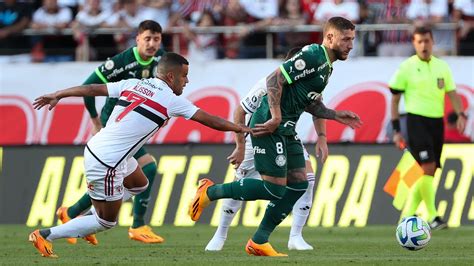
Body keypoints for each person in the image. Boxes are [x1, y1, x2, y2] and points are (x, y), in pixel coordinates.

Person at [29, 52, 251, 258]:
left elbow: (93, 89)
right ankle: (45, 235)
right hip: (108, 163)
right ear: (171, 76)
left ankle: (87, 222)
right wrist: (239, 128)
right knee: (106, 222)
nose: (187, 81)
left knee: (139, 184)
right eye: (184, 76)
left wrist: (59, 93)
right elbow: (208, 119)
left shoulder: (134, 84)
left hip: (104, 150)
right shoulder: (171, 100)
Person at [189, 16, 360, 256]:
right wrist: (276, 116)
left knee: (300, 183)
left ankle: (259, 240)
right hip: (268, 126)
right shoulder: (313, 55)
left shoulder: (326, 66)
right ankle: (210, 191)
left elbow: (310, 102)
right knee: (273, 189)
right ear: (330, 37)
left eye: (352, 39)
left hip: (286, 130)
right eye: (346, 39)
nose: (351, 45)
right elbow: (273, 79)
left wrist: (333, 115)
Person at [56, 20, 166, 245]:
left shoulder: (161, 59)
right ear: (137, 39)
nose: (152, 43)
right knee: (149, 167)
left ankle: (74, 213)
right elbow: (88, 87)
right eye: (147, 38)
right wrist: (96, 121)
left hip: (134, 123)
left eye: (156, 39)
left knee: (130, 175)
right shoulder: (120, 62)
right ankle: (137, 225)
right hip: (115, 124)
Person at [389, 26, 467, 230]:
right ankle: (433, 216)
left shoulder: (442, 67)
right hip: (416, 121)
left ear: (432, 42)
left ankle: (406, 216)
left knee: (428, 173)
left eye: (427, 41)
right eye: (419, 42)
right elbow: (395, 101)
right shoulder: (406, 67)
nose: (424, 45)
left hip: (436, 122)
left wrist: (461, 114)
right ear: (414, 44)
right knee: (428, 166)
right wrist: (397, 129)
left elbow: (452, 93)